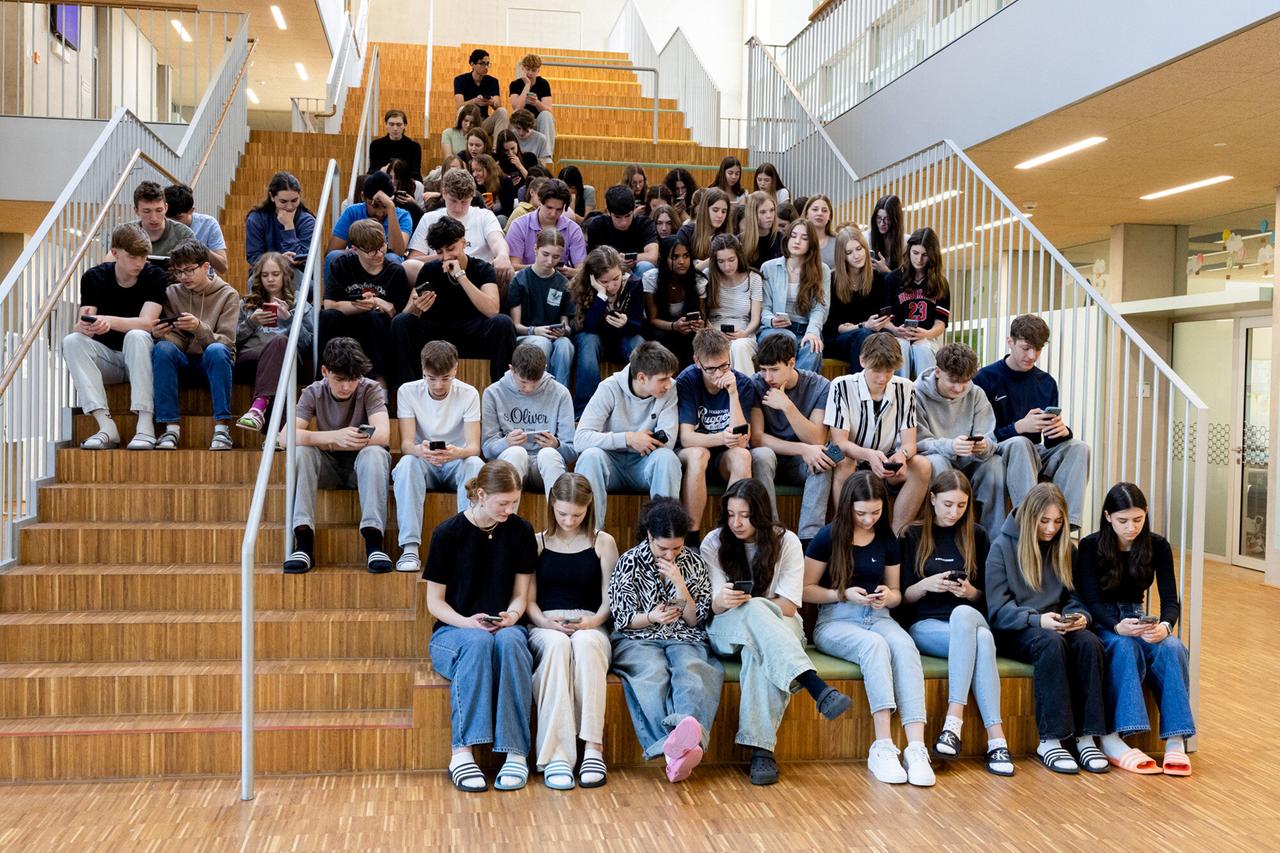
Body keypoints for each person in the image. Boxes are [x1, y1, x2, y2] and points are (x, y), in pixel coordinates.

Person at [703, 479, 852, 784]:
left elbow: (787, 604)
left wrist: (755, 604)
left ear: (761, 513)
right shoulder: (714, 542)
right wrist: (723, 600)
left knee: (759, 653)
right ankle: (813, 685)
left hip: (780, 626)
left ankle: (761, 753)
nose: (736, 523)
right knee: (755, 612)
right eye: (730, 514)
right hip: (726, 628)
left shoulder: (787, 542)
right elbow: (715, 606)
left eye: (744, 515)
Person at [803, 471, 934, 786]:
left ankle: (916, 747)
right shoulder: (828, 536)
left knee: (903, 646)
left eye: (875, 513)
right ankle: (883, 745)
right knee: (874, 647)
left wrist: (889, 596)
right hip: (836, 618)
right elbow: (804, 589)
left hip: (878, 617)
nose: (867, 519)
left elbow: (897, 594)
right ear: (848, 506)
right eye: (860, 513)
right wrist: (841, 593)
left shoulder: (887, 539)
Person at [425, 459, 535, 792]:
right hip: (453, 632)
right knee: (478, 643)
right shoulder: (448, 533)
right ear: (482, 494)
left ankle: (516, 753)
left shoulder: (520, 531)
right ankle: (462, 752)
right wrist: (468, 624)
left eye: (514, 502)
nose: (509, 509)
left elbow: (520, 595)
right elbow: (435, 603)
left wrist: (512, 617)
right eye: (503, 503)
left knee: (512, 642)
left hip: (505, 626)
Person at [985, 482, 1109, 775]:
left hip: (1057, 625)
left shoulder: (1067, 548)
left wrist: (1078, 616)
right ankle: (1051, 740)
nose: (1051, 528)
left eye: (1058, 521)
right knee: (1050, 643)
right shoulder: (1001, 547)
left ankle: (1086, 736)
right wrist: (1037, 620)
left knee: (1089, 642)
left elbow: (1075, 596)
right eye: (1044, 521)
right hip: (1018, 630)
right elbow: (998, 611)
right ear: (1029, 518)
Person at [1075, 482, 1195, 776]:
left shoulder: (1157, 545)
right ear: (1107, 517)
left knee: (1173, 647)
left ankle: (1176, 740)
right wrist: (1116, 625)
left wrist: (1166, 626)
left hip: (1138, 617)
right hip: (1104, 620)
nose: (1131, 528)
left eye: (1138, 520)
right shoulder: (1090, 546)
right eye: (1123, 521)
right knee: (1123, 646)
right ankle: (1116, 738)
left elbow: (1170, 599)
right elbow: (1089, 599)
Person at [899, 470, 1013, 776]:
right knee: (984, 642)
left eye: (961, 506)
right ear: (933, 499)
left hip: (968, 618)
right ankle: (997, 740)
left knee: (964, 615)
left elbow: (987, 597)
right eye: (948, 504)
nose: (954, 512)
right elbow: (903, 597)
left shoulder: (977, 535)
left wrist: (970, 592)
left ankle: (954, 722)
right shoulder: (912, 535)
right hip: (926, 625)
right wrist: (927, 585)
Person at [608, 497, 723, 784]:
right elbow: (623, 617)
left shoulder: (694, 561)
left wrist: (680, 584)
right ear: (649, 536)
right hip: (639, 637)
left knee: (693, 673)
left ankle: (679, 747)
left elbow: (697, 619)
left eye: (676, 548)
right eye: (662, 548)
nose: (670, 555)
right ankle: (678, 751)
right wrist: (651, 617)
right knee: (652, 675)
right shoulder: (629, 562)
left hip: (685, 636)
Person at [527, 473, 619, 789]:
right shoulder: (537, 542)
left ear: (588, 508)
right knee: (556, 646)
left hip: (590, 622)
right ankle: (557, 756)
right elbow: (529, 601)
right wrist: (546, 623)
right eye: (562, 513)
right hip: (546, 623)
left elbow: (611, 600)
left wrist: (592, 623)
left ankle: (593, 747)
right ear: (552, 505)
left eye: (577, 514)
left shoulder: (602, 542)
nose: (569, 520)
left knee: (587, 645)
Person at [284, 337, 392, 574]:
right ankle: (303, 541)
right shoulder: (314, 391)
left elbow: (383, 435)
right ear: (325, 371)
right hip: (328, 468)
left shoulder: (370, 388)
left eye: (353, 379)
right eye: (340, 379)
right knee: (301, 451)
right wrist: (333, 438)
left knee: (375, 453)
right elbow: (284, 437)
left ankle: (374, 543)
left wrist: (344, 441)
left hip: (361, 469)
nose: (346, 387)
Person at [974, 314, 1091, 529]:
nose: (1032, 355)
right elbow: (981, 438)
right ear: (1010, 342)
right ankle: (1029, 520)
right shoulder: (984, 378)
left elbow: (1051, 443)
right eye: (1026, 348)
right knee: (1020, 442)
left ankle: (1067, 524)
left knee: (1079, 447)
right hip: (997, 449)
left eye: (1037, 349)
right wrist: (1019, 427)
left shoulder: (1046, 382)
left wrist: (1062, 432)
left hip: (1036, 451)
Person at [62, 223, 167, 450]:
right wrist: (85, 326)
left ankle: (145, 425)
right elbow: (84, 320)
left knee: (137, 336)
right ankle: (106, 427)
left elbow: (148, 323)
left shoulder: (155, 275)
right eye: (132, 257)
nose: (139, 263)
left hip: (141, 359)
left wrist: (108, 320)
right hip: (108, 359)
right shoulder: (93, 277)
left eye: (143, 257)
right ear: (115, 252)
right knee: (71, 341)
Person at [825, 331, 932, 534]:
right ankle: (844, 530)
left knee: (923, 466)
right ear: (862, 361)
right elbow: (839, 443)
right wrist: (868, 455)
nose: (883, 378)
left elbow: (910, 443)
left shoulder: (906, 387)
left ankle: (896, 535)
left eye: (889, 371)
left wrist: (902, 455)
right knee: (841, 458)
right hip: (849, 454)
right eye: (877, 370)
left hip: (885, 458)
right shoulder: (841, 385)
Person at [392, 216, 516, 388]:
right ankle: (407, 391)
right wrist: (417, 307)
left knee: (503, 323)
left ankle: (502, 391)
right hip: (437, 332)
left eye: (450, 249)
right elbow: (407, 312)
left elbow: (493, 310)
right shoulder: (429, 270)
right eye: (440, 252)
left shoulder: (482, 268)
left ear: (463, 243)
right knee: (401, 322)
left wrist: (461, 276)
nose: (446, 256)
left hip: (472, 331)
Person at [392, 340, 484, 572]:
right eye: (431, 378)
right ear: (422, 369)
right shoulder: (407, 391)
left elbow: (473, 447)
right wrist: (420, 450)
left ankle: (467, 543)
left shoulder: (469, 393)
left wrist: (456, 453)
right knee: (407, 464)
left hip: (456, 463)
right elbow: (405, 444)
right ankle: (410, 547)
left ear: (455, 369)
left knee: (474, 463)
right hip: (424, 462)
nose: (438, 385)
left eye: (445, 378)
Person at [574, 341, 681, 528]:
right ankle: (591, 537)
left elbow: (669, 442)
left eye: (670, 378)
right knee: (590, 456)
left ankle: (664, 539)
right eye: (663, 379)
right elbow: (580, 439)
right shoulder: (609, 388)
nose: (668, 384)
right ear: (641, 378)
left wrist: (646, 441)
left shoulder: (670, 389)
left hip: (644, 464)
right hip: (610, 465)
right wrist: (628, 438)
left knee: (667, 458)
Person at [151, 239, 238, 451]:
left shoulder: (228, 294)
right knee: (162, 349)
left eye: (189, 270)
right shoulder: (172, 293)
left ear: (206, 266)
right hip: (184, 360)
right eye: (178, 272)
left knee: (217, 350)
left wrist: (199, 328)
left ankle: (222, 430)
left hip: (214, 360)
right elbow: (177, 342)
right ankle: (170, 428)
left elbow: (227, 342)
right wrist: (161, 335)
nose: (183, 277)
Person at [748, 334, 833, 546]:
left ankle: (809, 540)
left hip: (800, 464)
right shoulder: (756, 384)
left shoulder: (820, 385)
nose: (768, 377)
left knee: (826, 457)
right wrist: (803, 448)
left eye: (774, 369)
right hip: (771, 459)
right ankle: (771, 531)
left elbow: (817, 437)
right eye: (763, 369)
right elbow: (757, 439)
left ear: (791, 363)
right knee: (760, 455)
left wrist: (787, 405)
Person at [913, 342, 1006, 534]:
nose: (959, 388)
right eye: (953, 381)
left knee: (995, 464)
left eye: (964, 381)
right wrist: (950, 446)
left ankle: (993, 540)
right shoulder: (916, 393)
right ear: (938, 371)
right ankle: (944, 535)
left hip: (971, 460)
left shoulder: (976, 393)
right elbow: (917, 442)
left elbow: (989, 439)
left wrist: (983, 445)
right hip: (937, 458)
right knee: (937, 461)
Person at [676, 329, 758, 544]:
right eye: (711, 369)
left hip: (724, 457)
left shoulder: (742, 383)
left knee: (743, 456)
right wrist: (722, 438)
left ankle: (732, 537)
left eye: (724, 365)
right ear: (696, 361)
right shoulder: (687, 380)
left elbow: (741, 438)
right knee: (698, 454)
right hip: (694, 453)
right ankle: (691, 539)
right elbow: (686, 437)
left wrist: (732, 393)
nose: (719, 374)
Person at [318, 219, 410, 385]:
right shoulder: (342, 265)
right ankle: (326, 377)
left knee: (373, 318)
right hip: (346, 322)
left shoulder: (394, 271)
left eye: (382, 247)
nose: (379, 254)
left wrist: (377, 302)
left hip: (377, 328)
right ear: (354, 249)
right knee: (327, 317)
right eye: (371, 251)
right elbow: (331, 304)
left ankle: (380, 383)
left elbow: (396, 312)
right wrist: (360, 306)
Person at [233, 252, 315, 432]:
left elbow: (307, 344)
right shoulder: (246, 303)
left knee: (280, 343)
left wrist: (288, 319)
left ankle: (258, 408)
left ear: (285, 275)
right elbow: (232, 339)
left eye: (275, 274)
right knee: (281, 360)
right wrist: (251, 322)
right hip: (251, 358)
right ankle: (278, 432)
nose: (270, 279)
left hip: (290, 360)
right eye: (265, 275)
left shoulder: (299, 302)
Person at [482, 343, 576, 499]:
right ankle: (507, 522)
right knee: (516, 452)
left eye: (535, 382)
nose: (529, 389)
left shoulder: (560, 393)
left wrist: (556, 445)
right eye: (523, 383)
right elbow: (487, 449)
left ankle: (558, 523)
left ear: (545, 369)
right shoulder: (493, 393)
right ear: (512, 370)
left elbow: (572, 451)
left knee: (548, 455)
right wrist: (506, 442)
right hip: (510, 464)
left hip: (546, 465)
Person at [567, 246, 646, 416]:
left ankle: (643, 404)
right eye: (604, 282)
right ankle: (584, 411)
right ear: (593, 279)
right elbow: (585, 327)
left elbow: (639, 325)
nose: (611, 285)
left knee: (638, 343)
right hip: (595, 339)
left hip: (621, 338)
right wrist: (601, 296)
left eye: (615, 279)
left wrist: (626, 324)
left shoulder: (634, 284)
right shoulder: (583, 286)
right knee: (588, 340)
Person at [405, 168, 514, 286]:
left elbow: (497, 240)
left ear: (472, 196)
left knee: (508, 271)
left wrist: (502, 255)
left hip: (478, 276)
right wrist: (446, 256)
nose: (458, 208)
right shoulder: (429, 218)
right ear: (444, 193)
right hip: (441, 275)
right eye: (453, 201)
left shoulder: (484, 215)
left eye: (464, 202)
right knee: (408, 266)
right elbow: (414, 259)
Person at [759, 218, 830, 374]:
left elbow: (820, 308)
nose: (797, 241)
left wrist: (812, 332)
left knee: (813, 347)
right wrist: (771, 320)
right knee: (787, 338)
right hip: (774, 329)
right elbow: (763, 308)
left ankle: (797, 395)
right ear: (787, 238)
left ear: (811, 243)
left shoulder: (822, 270)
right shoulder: (769, 267)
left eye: (804, 238)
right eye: (793, 236)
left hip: (805, 328)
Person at [507, 229, 573, 386]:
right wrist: (534, 330)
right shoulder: (520, 279)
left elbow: (566, 324)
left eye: (556, 257)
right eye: (545, 254)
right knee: (542, 343)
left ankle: (559, 393)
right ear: (535, 249)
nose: (550, 261)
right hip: (528, 336)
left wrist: (564, 330)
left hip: (552, 336)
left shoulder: (563, 283)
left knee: (565, 345)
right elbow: (515, 326)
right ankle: (539, 389)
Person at [884, 227, 950, 379]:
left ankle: (925, 396)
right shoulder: (892, 279)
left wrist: (926, 333)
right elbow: (884, 318)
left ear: (933, 256)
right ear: (909, 251)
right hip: (898, 337)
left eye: (925, 255)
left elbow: (940, 323)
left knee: (922, 348)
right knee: (902, 346)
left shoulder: (941, 283)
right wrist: (895, 330)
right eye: (915, 253)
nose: (919, 259)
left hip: (927, 338)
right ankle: (899, 393)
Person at [822, 227, 891, 367]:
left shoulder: (877, 278)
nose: (856, 255)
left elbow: (882, 315)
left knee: (881, 338)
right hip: (838, 341)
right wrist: (862, 325)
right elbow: (832, 326)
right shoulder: (832, 279)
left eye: (859, 249)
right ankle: (861, 387)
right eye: (849, 252)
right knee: (863, 334)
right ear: (842, 256)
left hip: (870, 337)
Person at [326, 172, 410, 281]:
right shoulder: (352, 212)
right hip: (357, 259)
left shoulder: (402, 215)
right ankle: (330, 297)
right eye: (374, 205)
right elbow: (333, 250)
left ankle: (390, 298)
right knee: (333, 257)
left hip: (383, 261)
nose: (380, 213)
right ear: (363, 197)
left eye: (384, 206)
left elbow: (398, 251)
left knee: (393, 258)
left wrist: (391, 208)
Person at [704, 234, 763, 375]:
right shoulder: (708, 276)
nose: (727, 266)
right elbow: (702, 314)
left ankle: (745, 393)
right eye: (721, 261)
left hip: (744, 332)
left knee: (739, 347)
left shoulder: (753, 278)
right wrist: (715, 333)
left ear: (739, 256)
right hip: (714, 331)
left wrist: (744, 333)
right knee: (718, 349)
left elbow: (755, 320)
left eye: (731, 260)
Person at [642, 235, 706, 364]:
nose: (681, 261)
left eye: (686, 256)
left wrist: (699, 323)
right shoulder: (652, 278)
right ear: (664, 258)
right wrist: (674, 326)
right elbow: (652, 319)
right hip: (660, 328)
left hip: (685, 329)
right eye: (675, 257)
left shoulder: (698, 280)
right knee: (659, 337)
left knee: (694, 337)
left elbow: (702, 313)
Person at [504, 178, 585, 271]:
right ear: (540, 201)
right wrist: (542, 269)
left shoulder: (573, 229)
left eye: (559, 209)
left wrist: (567, 272)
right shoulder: (519, 225)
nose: (553, 214)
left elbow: (581, 270)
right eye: (549, 207)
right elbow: (513, 266)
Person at [584, 185, 660, 279]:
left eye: (628, 216)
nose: (624, 222)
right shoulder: (597, 226)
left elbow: (652, 257)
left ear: (634, 209)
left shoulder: (645, 224)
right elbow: (592, 261)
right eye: (618, 217)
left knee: (645, 266)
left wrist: (631, 259)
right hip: (607, 274)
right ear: (608, 212)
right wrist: (616, 261)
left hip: (636, 271)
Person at [245, 171, 315, 269]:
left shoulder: (308, 221)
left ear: (299, 196)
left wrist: (289, 227)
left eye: (294, 200)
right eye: (283, 201)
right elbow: (253, 257)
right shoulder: (256, 219)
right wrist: (278, 262)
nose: (290, 207)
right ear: (272, 197)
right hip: (264, 272)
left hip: (297, 273)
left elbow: (301, 259)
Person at [164, 183, 228, 274]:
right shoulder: (159, 225)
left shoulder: (208, 224)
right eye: (167, 218)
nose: (173, 223)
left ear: (191, 211)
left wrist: (200, 248)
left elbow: (223, 267)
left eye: (178, 218)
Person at [127, 181, 194, 258]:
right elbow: (111, 263)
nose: (154, 218)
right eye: (147, 211)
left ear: (166, 208)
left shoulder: (183, 234)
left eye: (159, 210)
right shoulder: (126, 234)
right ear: (136, 211)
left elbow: (193, 267)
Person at [453, 48, 508, 138]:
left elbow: (498, 106)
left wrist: (491, 102)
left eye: (487, 64)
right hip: (467, 121)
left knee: (502, 111)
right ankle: (460, 143)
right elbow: (459, 106)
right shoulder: (460, 80)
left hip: (483, 122)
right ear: (472, 64)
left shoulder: (492, 81)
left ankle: (496, 149)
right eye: (482, 63)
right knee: (461, 110)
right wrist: (474, 101)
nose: (486, 67)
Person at [508, 53, 556, 158]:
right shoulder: (515, 84)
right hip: (521, 120)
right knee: (514, 115)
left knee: (546, 115)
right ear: (523, 68)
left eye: (533, 70)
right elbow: (516, 108)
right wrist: (527, 85)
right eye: (527, 69)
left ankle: (546, 156)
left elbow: (549, 110)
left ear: (538, 70)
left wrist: (537, 103)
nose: (530, 73)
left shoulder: (543, 84)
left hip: (537, 121)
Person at [675, 188, 731, 268]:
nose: (720, 215)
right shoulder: (686, 232)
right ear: (705, 210)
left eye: (724, 211)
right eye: (715, 210)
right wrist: (707, 263)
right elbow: (678, 266)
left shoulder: (727, 237)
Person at [368, 109, 422, 178]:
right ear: (386, 125)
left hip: (406, 181)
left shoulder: (414, 147)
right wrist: (381, 170)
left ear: (404, 125)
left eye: (399, 124)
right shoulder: (376, 145)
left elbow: (416, 172)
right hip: (382, 180)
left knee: (418, 184)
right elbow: (372, 170)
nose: (395, 128)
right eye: (391, 124)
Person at [739, 191, 782, 270]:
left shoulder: (782, 239)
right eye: (763, 212)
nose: (769, 216)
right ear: (752, 214)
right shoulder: (739, 241)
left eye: (772, 210)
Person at [469, 153, 515, 220]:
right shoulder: (475, 185)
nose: (474, 175)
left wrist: (490, 212)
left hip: (500, 221)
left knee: (501, 218)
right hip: (481, 220)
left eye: (479, 170)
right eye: (473, 170)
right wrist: (484, 208)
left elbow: (508, 212)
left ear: (489, 170)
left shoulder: (505, 182)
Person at [386, 158, 426, 231]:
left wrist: (413, 203)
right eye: (390, 177)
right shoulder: (385, 184)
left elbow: (423, 214)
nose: (393, 181)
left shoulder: (417, 186)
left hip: (413, 221)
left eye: (397, 178)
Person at [868, 195, 904, 273]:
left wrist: (886, 271)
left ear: (896, 220)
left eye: (887, 219)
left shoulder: (905, 242)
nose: (882, 223)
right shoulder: (866, 237)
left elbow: (905, 281)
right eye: (878, 218)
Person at [801, 194, 837, 268]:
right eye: (815, 209)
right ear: (806, 214)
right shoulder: (796, 239)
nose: (820, 213)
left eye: (824, 210)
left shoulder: (838, 241)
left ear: (829, 216)